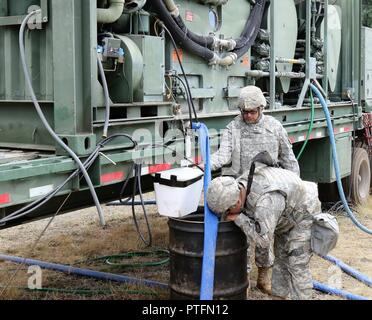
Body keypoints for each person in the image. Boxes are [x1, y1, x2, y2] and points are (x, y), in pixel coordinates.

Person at [208, 86, 300, 294]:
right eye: (244, 112)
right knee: (237, 233)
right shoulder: (233, 128)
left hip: (266, 191)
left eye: (252, 112)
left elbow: (289, 160)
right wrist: (204, 164)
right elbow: (223, 155)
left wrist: (295, 188)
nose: (248, 116)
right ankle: (241, 279)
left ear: (261, 108)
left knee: (263, 236)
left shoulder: (274, 128)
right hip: (240, 192)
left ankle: (263, 277)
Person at [206, 165, 321, 300]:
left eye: (227, 211)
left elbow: (263, 242)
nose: (227, 215)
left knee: (297, 263)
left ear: (237, 202)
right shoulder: (237, 185)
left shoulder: (265, 203)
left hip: (304, 213)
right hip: (284, 211)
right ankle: (280, 296)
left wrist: (240, 218)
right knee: (281, 258)